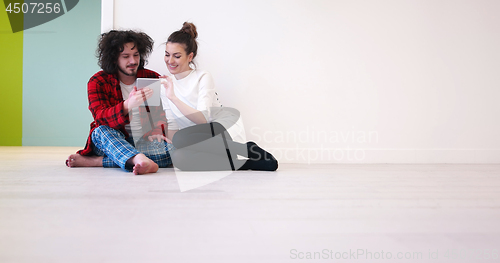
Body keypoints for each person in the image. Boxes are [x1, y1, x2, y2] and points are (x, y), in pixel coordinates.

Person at [160, 22, 278, 171]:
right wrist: (173, 150)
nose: (170, 61)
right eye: (166, 54)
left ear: (190, 56)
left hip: (219, 132)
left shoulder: (202, 76)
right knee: (178, 158)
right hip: (194, 142)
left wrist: (174, 98)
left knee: (181, 138)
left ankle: (247, 149)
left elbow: (202, 119)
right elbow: (172, 124)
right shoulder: (166, 85)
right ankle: (247, 164)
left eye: (176, 56)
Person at [66, 30, 173, 175]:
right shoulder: (98, 81)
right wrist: (127, 104)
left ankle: (98, 161)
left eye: (136, 55)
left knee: (175, 152)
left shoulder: (151, 78)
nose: (133, 61)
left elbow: (159, 115)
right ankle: (138, 158)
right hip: (111, 140)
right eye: (125, 56)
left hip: (143, 142)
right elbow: (100, 117)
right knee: (99, 131)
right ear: (114, 58)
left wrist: (158, 131)